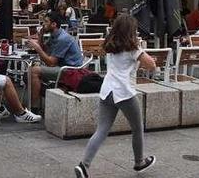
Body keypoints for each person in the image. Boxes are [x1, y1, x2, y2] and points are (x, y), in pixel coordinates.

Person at [74, 14, 156, 178]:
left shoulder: (111, 47)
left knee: (102, 130)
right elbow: (152, 65)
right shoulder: (134, 49)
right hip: (124, 93)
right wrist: (144, 57)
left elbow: (122, 65)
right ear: (131, 31)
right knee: (137, 128)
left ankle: (83, 165)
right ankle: (139, 162)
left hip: (107, 91)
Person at [27, 11, 85, 108]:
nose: (43, 24)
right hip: (61, 67)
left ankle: (34, 107)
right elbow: (46, 51)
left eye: (45, 22)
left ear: (53, 24)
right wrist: (40, 38)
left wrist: (37, 48)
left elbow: (51, 62)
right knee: (28, 73)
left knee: (33, 71)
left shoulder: (63, 38)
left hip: (70, 71)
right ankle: (47, 96)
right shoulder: (54, 35)